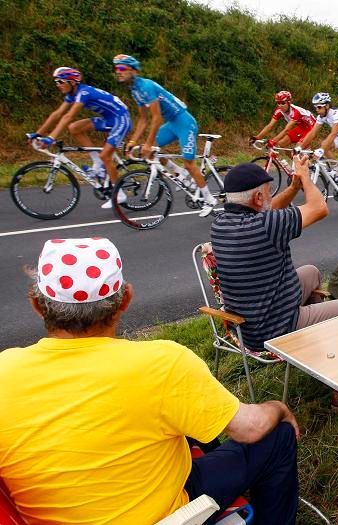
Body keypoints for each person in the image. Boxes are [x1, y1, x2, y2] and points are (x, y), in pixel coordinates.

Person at [0, 237, 302, 524]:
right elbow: (251, 429)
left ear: (37, 305)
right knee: (278, 436)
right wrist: (278, 407)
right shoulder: (163, 364)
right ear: (125, 300)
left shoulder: (5, 369)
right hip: (166, 515)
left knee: (195, 426)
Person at [211, 159, 338, 353]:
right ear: (257, 197)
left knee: (311, 272)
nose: (270, 195)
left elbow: (270, 209)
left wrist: (293, 187)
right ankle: (305, 343)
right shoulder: (266, 226)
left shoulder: (220, 224)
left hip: (246, 326)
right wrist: (306, 178)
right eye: (268, 191)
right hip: (275, 329)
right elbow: (319, 208)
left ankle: (314, 344)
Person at [113, 54, 217, 214]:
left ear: (133, 70)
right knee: (151, 153)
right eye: (116, 68)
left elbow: (156, 118)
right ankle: (180, 173)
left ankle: (210, 199)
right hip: (171, 124)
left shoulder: (146, 86)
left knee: (189, 163)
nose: (118, 71)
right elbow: (143, 119)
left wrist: (148, 143)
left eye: (121, 68)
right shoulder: (134, 90)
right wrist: (133, 141)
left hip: (184, 122)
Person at [28, 67, 131, 204]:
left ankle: (120, 194)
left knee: (106, 155)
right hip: (109, 118)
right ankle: (97, 162)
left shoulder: (84, 92)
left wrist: (50, 138)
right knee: (74, 128)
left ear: (72, 82)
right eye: (56, 82)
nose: (58, 85)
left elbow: (68, 116)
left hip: (121, 119)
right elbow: (57, 114)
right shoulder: (72, 94)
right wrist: (38, 133)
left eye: (60, 81)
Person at [249, 90, 316, 151]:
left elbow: (287, 129)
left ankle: (303, 163)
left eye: (283, 103)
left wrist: (273, 140)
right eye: (278, 103)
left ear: (289, 103)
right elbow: (270, 126)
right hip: (301, 127)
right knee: (281, 145)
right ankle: (295, 163)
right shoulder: (279, 111)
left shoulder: (295, 112)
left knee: (297, 149)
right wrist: (258, 137)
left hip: (312, 128)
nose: (280, 105)